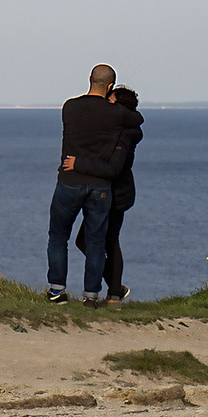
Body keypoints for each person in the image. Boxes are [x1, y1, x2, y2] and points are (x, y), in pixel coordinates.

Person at [47, 64, 143, 306]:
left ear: (89, 79)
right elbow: (137, 119)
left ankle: (57, 291)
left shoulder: (69, 107)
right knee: (97, 242)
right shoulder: (117, 114)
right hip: (100, 186)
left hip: (69, 181)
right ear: (110, 86)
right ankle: (91, 296)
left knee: (59, 237)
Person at [69, 87, 141, 308]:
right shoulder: (122, 130)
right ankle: (114, 289)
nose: (107, 105)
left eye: (110, 101)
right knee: (100, 241)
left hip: (115, 194)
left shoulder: (124, 135)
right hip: (114, 192)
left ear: (120, 107)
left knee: (103, 242)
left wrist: (79, 164)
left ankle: (114, 293)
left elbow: (113, 168)